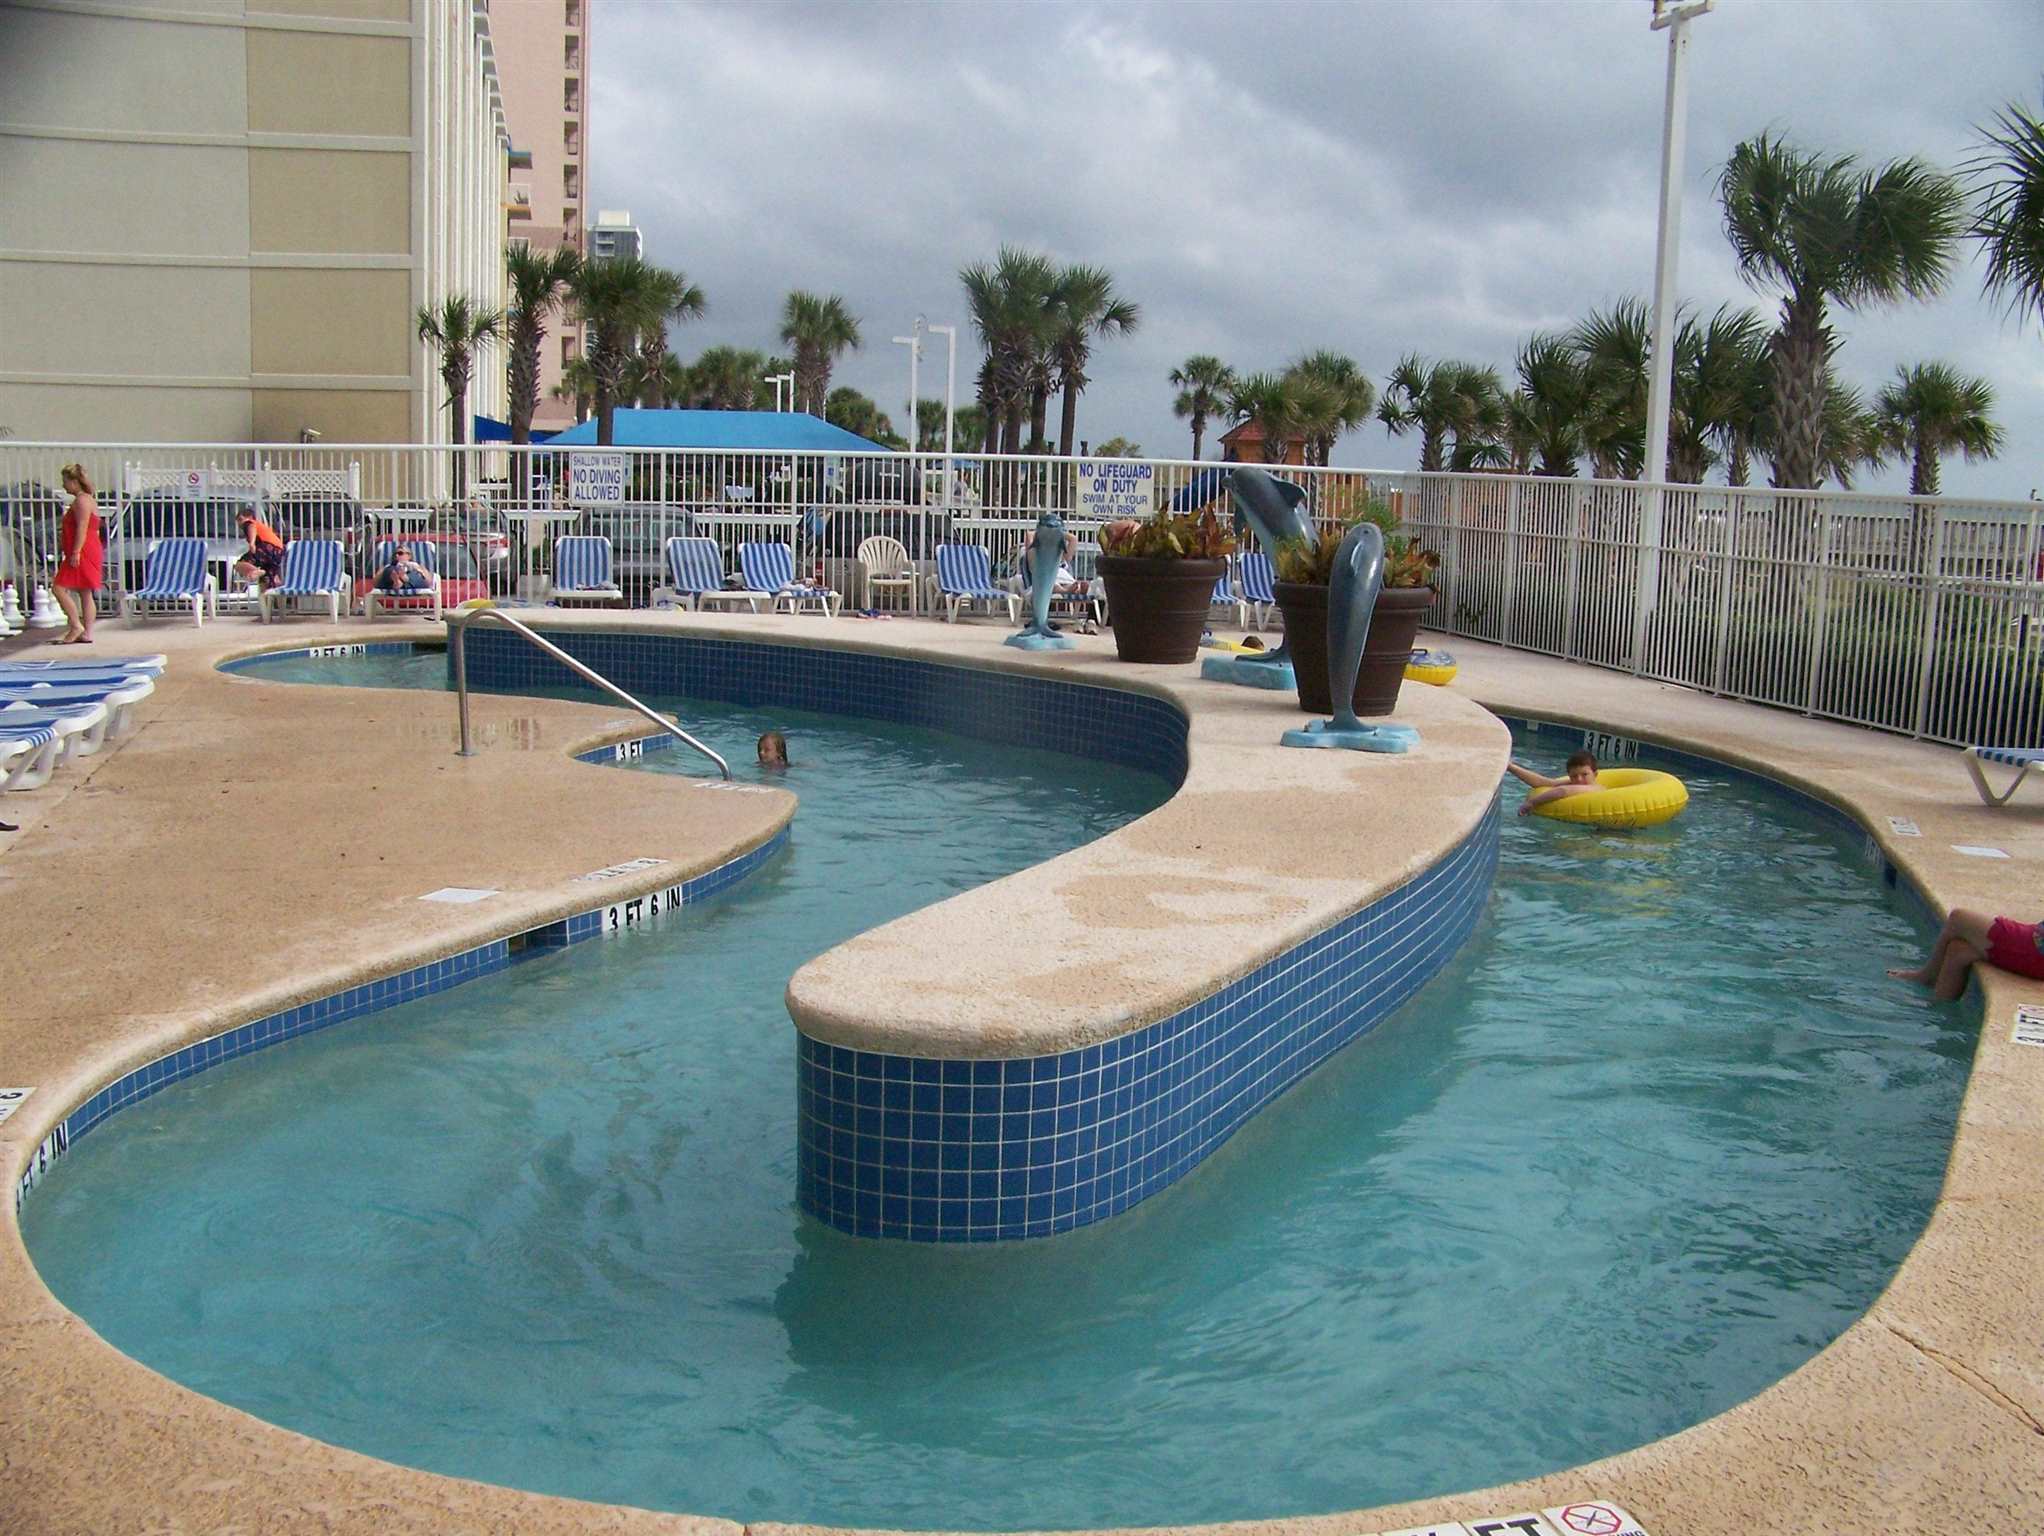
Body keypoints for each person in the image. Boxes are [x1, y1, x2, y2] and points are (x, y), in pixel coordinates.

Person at [1889, 909, 2044, 1001]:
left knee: (1958, 919)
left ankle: (1927, 976)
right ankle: (1939, 1013)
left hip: (2035, 949)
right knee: (1959, 950)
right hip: (2036, 945)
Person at [53, 463, 103, 645]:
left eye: (65, 481)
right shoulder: (86, 499)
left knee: (58, 588)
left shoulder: (82, 501)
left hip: (83, 550)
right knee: (85, 591)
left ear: (74, 481)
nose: (64, 485)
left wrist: (75, 552)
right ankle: (87, 632)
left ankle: (76, 625)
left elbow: (82, 527)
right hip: (87, 548)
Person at [1508, 749, 1601, 816]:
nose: (1579, 779)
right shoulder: (1574, 783)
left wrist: (1531, 803)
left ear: (1595, 774)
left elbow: (1563, 791)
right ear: (1569, 776)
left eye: (1585, 774)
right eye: (1574, 776)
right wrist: (1511, 767)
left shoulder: (1594, 789)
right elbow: (1543, 782)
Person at [233, 508, 286, 592]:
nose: (239, 524)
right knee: (267, 581)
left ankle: (256, 571)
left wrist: (252, 543)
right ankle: (270, 596)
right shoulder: (262, 527)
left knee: (239, 565)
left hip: (267, 548)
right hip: (278, 552)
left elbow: (251, 527)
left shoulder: (249, 523)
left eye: (240, 519)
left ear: (250, 517)